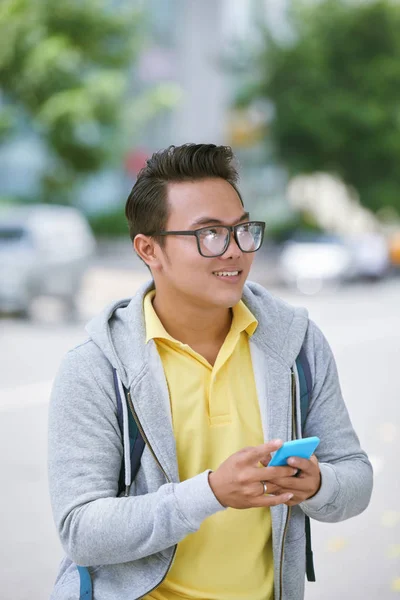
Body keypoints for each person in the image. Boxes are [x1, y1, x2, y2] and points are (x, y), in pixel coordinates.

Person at [48, 144, 373, 600]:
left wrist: (318, 483)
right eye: (210, 234)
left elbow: (356, 477)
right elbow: (81, 530)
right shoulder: (97, 366)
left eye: (243, 230)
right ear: (149, 249)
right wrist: (212, 493)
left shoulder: (296, 343)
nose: (235, 251)